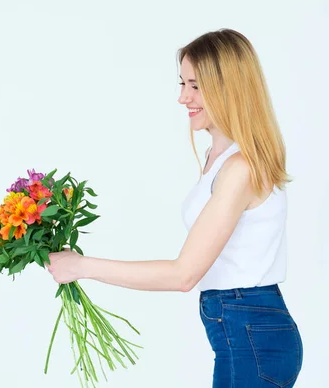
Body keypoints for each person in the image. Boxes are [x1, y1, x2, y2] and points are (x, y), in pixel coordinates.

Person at [46, 29, 303, 387]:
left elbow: (184, 274)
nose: (183, 97)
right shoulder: (221, 158)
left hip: (253, 340)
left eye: (195, 86)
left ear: (229, 87)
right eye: (182, 83)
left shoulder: (239, 169)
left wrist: (82, 266)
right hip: (244, 332)